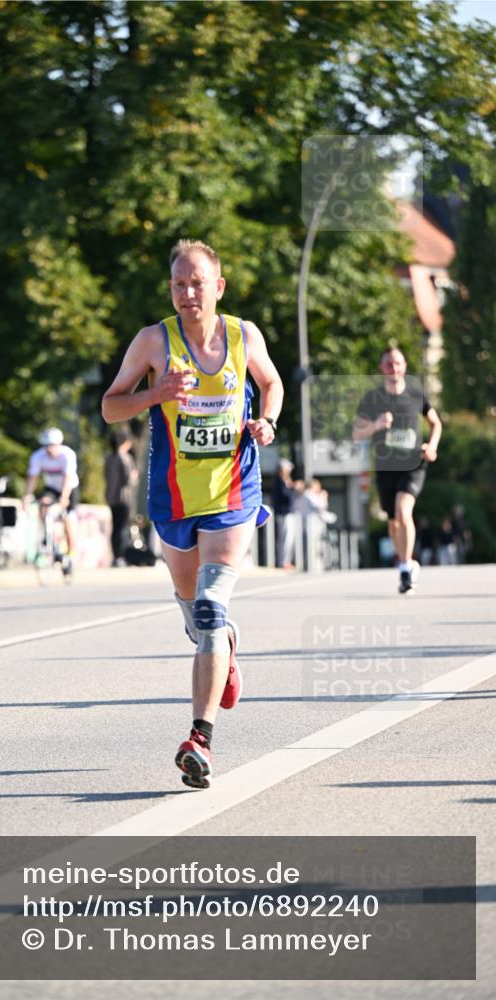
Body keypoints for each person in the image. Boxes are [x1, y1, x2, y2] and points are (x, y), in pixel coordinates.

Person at [102, 239, 283, 789]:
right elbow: (111, 406)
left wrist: (267, 422)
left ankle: (198, 739)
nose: (186, 293)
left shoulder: (242, 335)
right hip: (174, 499)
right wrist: (156, 393)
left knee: (208, 606)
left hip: (233, 493)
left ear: (218, 287)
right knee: (193, 613)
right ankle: (225, 647)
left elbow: (270, 382)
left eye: (197, 282)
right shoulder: (153, 341)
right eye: (178, 283)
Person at [353, 347, 442, 594]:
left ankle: (404, 568)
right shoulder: (372, 398)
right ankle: (407, 562)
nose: (394, 368)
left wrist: (432, 446)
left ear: (404, 366)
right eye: (389, 364)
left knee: (404, 512)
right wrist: (376, 424)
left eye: (398, 363)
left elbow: (435, 423)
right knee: (393, 523)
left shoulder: (416, 393)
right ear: (382, 368)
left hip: (414, 463)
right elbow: (356, 432)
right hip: (385, 467)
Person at [23, 428, 79, 568]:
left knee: (68, 519)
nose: (49, 449)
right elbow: (32, 478)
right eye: (46, 446)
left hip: (69, 487)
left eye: (52, 445)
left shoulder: (67, 455)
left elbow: (67, 478)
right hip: (51, 488)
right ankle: (49, 538)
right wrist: (26, 496)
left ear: (59, 444)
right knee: (43, 505)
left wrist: (64, 498)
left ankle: (71, 555)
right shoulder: (38, 456)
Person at [104, 429, 139, 566]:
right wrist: (135, 474)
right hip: (123, 497)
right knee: (122, 527)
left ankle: (115, 555)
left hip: (111, 496)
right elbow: (129, 480)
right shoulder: (125, 458)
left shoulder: (109, 457)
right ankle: (122, 556)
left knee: (115, 527)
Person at [272, 458, 296, 569]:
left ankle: (286, 561)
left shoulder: (285, 481)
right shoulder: (280, 481)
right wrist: (293, 488)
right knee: (284, 539)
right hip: (283, 513)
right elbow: (286, 496)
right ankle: (283, 562)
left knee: (289, 538)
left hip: (288, 513)